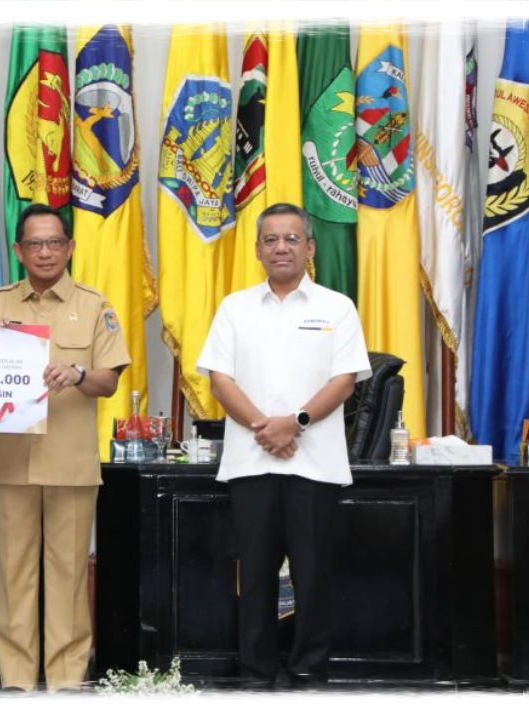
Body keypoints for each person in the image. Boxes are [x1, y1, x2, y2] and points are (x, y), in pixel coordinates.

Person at [195, 202, 371, 688]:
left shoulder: (337, 307)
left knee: (313, 576)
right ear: (257, 249)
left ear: (310, 248)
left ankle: (309, 669)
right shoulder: (234, 307)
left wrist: (294, 423)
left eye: (292, 239)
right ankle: (255, 672)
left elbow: (344, 382)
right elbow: (220, 380)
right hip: (251, 462)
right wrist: (263, 427)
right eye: (271, 239)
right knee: (254, 576)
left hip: (314, 464)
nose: (281, 247)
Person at [0, 204, 130, 692]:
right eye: (35, 244)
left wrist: (78, 374)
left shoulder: (94, 304)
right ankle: (17, 682)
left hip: (70, 463)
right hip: (10, 461)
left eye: (54, 243)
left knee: (66, 579)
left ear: (70, 248)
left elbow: (108, 380)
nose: (45, 252)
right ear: (19, 251)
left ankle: (66, 682)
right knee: (14, 576)